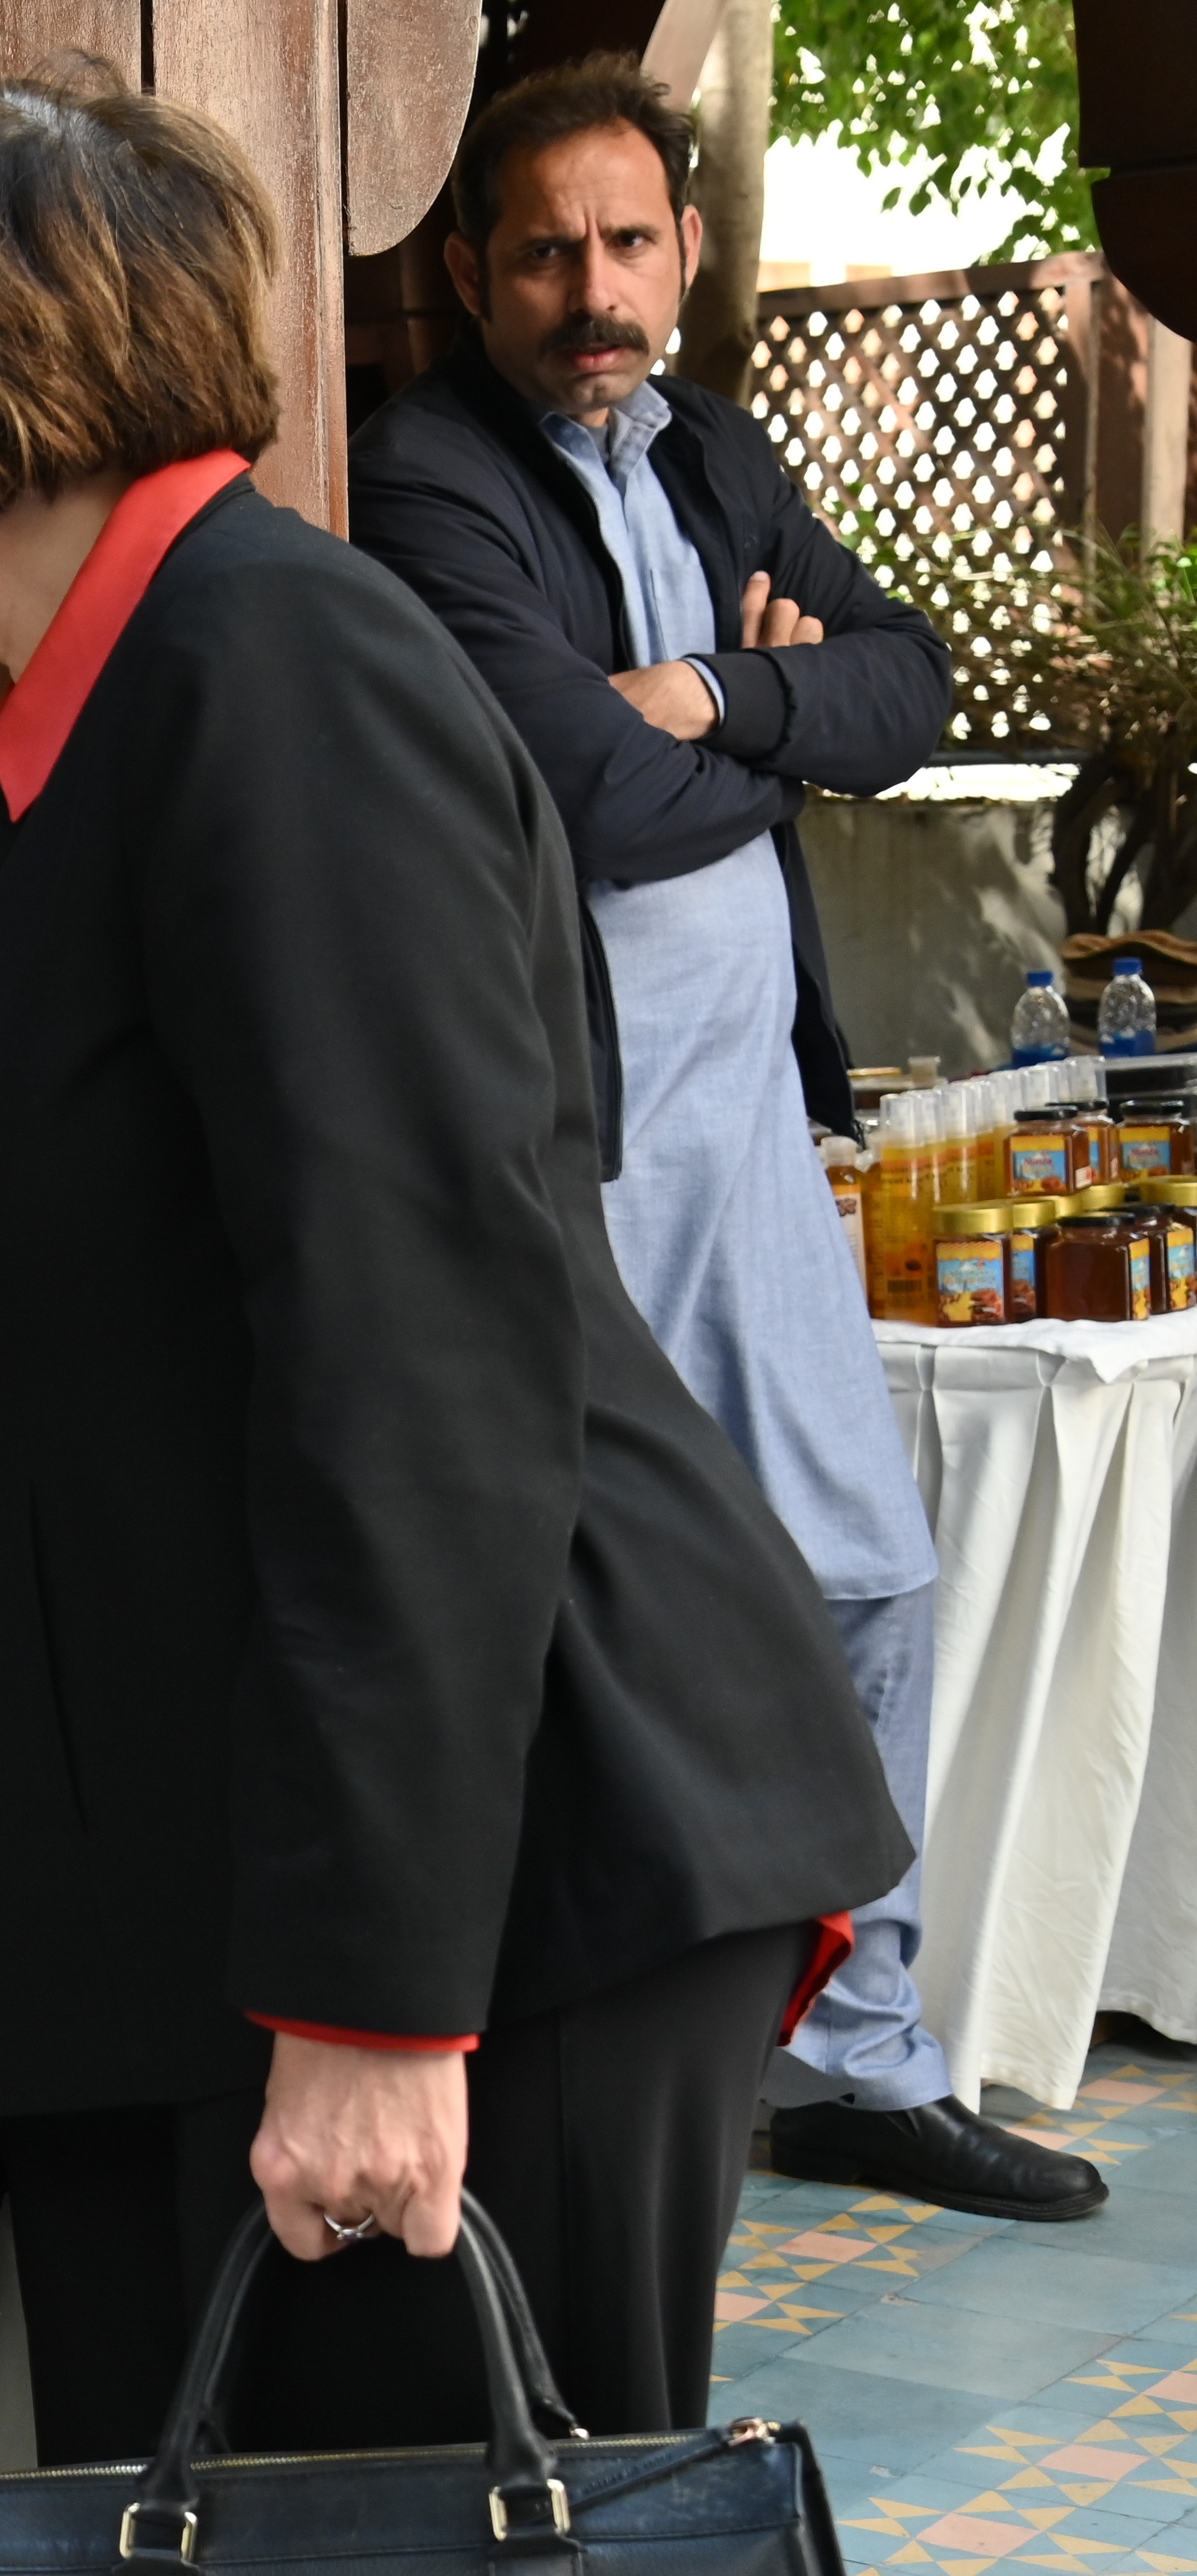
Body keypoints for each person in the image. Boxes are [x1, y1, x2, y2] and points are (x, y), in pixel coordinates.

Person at [0, 68, 908, 2464]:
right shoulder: (115, 705)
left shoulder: (274, 682)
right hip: (257, 1867)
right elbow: (103, 1279)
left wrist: (367, 2000)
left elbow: (411, 1351)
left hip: (476, 1894)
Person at [347, 60, 1093, 2223]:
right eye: (549, 252)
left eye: (629, 242)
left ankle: (853, 2062)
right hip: (571, 1152)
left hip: (746, 1127)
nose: (596, 290)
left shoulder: (718, 447)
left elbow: (914, 684)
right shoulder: (431, 486)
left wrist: (719, 702)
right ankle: (562, 2076)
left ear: (681, 253)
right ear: (477, 271)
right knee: (572, 1625)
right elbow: (569, 795)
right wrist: (758, 735)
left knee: (867, 1576)